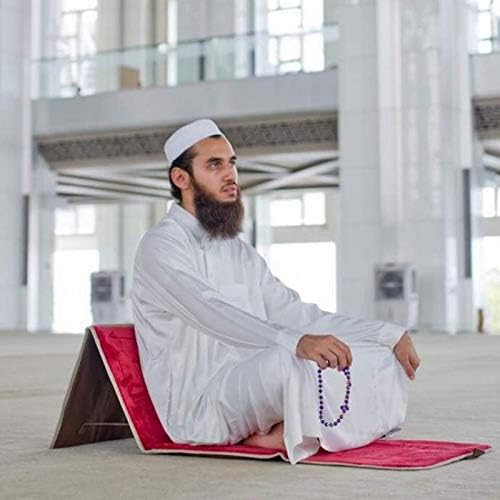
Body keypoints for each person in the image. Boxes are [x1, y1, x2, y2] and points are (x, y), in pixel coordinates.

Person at [131, 118, 421, 464]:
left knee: (374, 354)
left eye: (231, 163)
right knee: (291, 360)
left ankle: (281, 432)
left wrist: (386, 333)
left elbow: (295, 313)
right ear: (181, 179)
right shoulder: (161, 246)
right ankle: (283, 431)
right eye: (214, 165)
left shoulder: (237, 251)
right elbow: (210, 311)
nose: (230, 174)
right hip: (201, 404)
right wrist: (295, 342)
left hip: (250, 379)